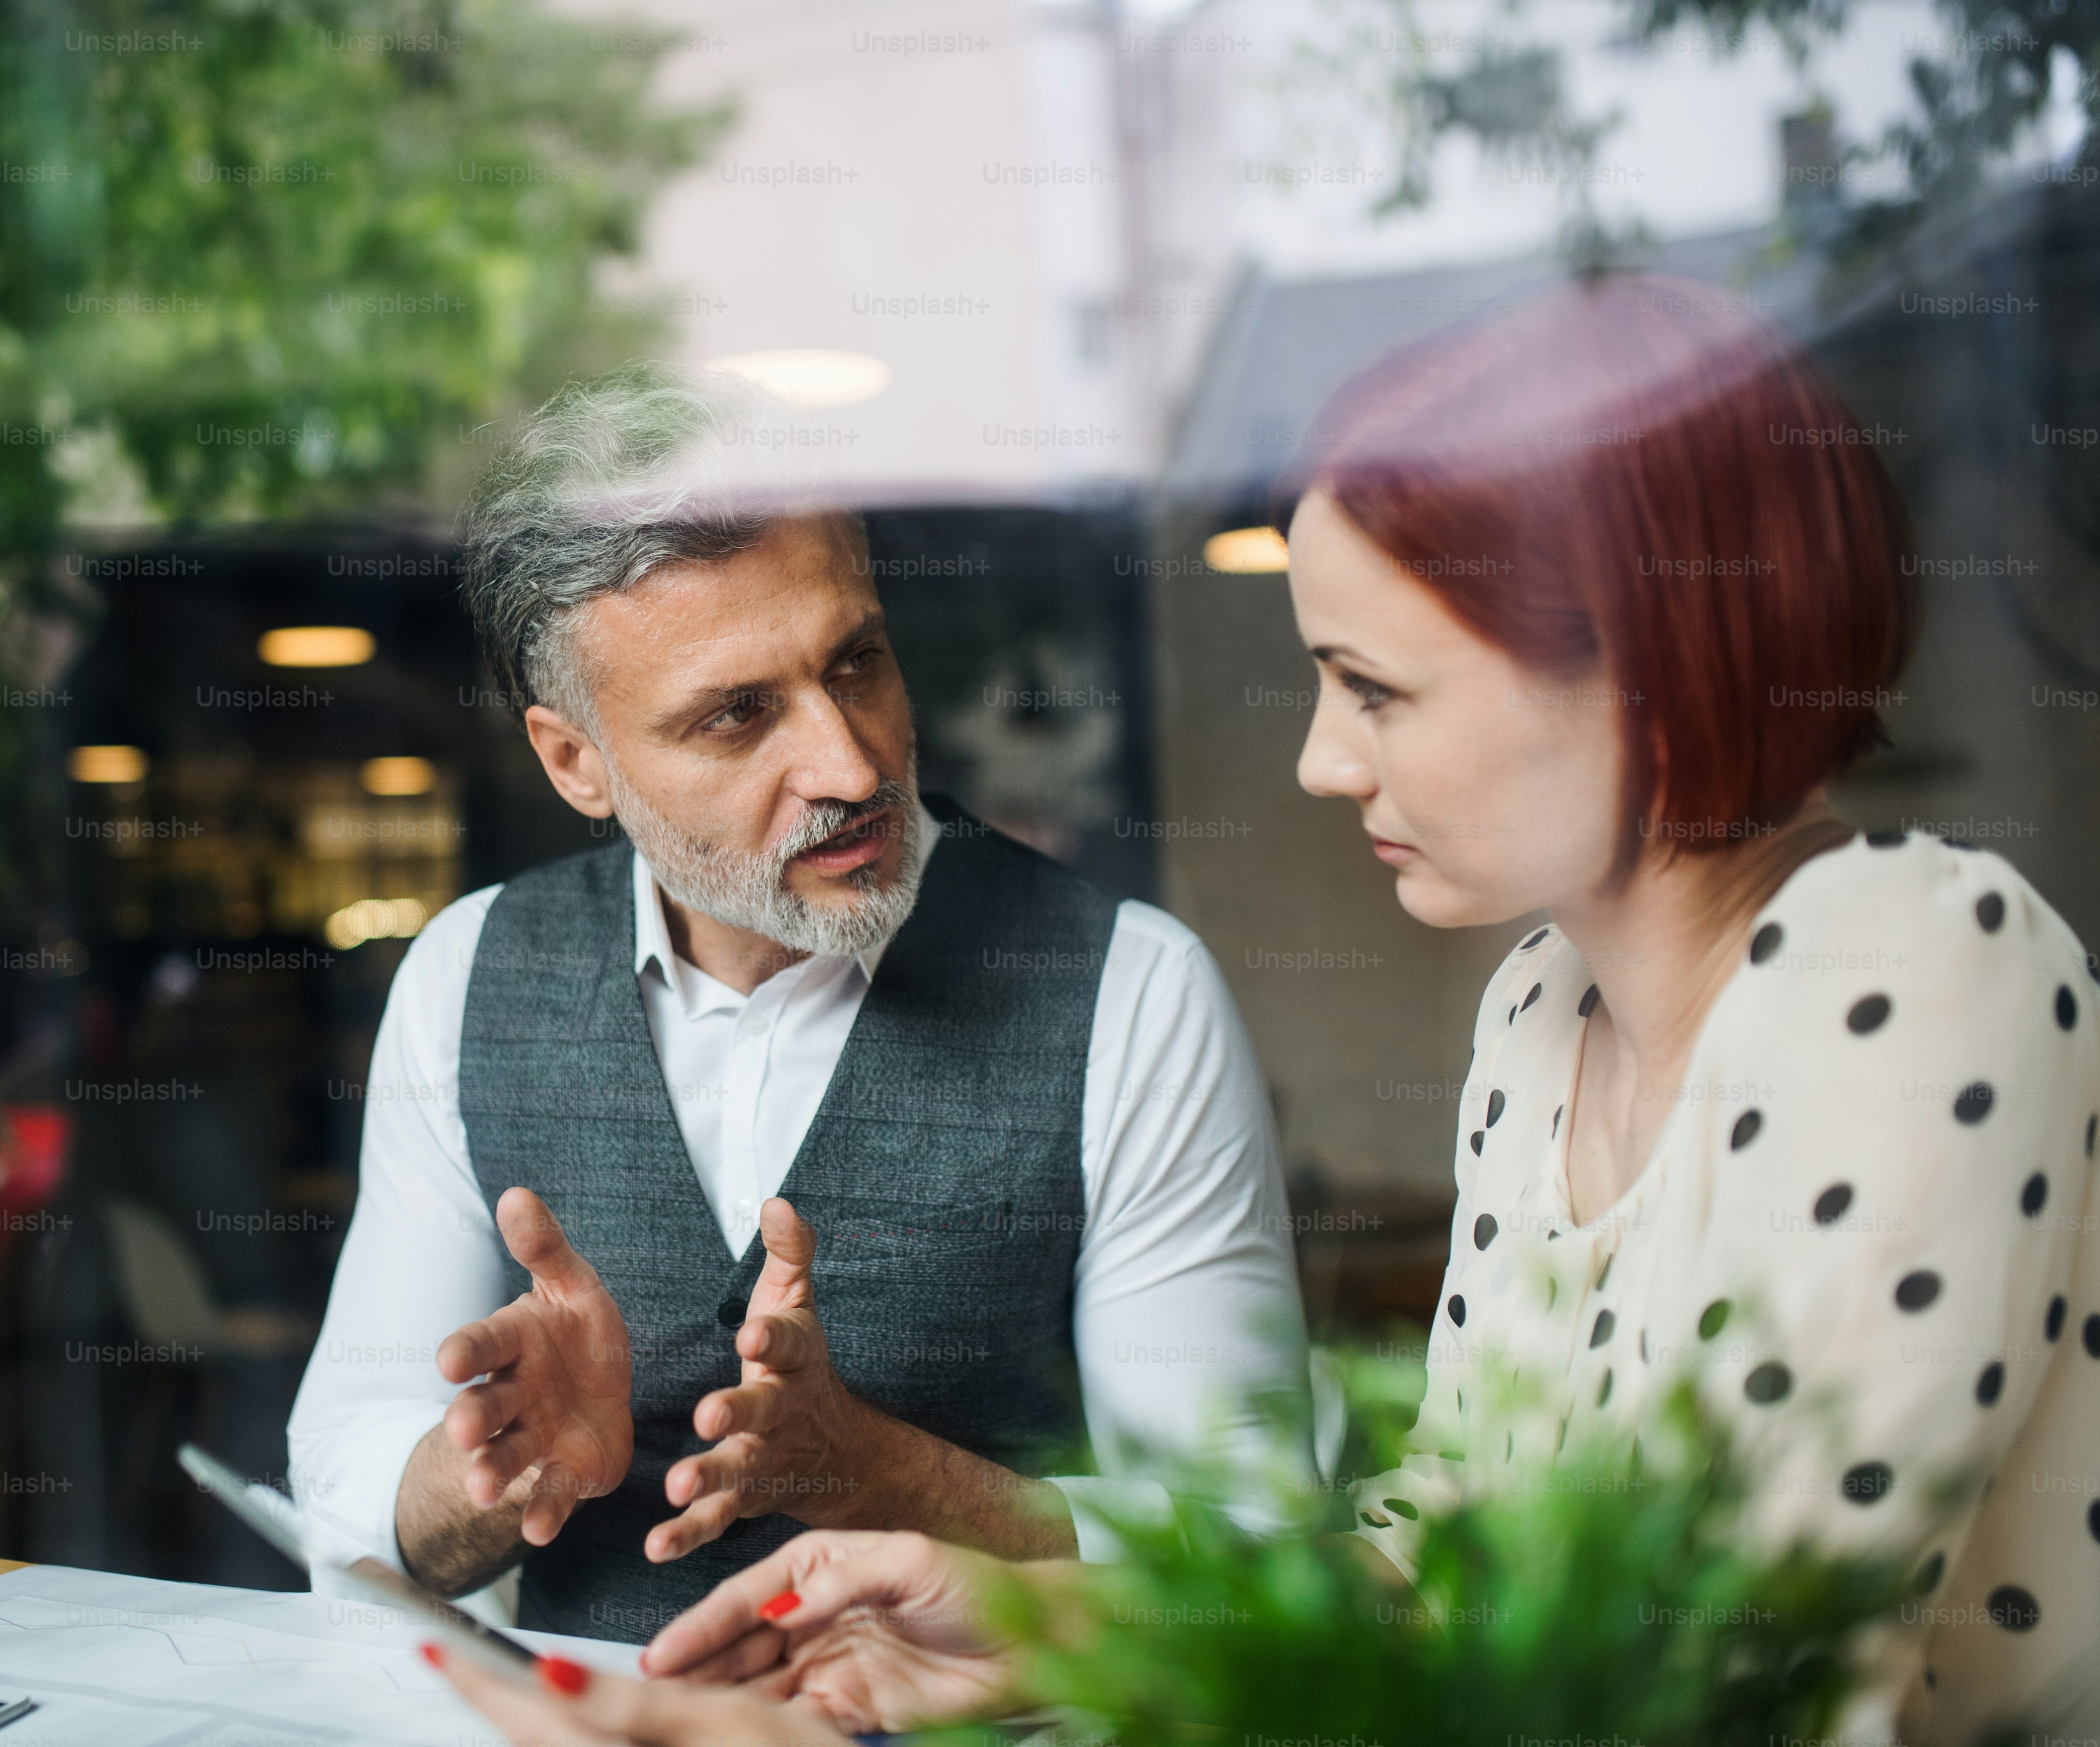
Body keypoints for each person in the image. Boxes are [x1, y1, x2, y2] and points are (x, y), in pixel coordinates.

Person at [427, 276, 2100, 1744]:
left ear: (1646, 669)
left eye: (1375, 687)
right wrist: (1028, 1627)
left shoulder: (1914, 957)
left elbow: (1734, 1692)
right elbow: (1432, 1579)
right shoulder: (1543, 1014)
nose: (1320, 759)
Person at [287, 363, 1313, 1644]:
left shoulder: (1131, 994)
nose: (851, 762)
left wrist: (891, 1477)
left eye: (857, 662)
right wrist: (490, 1474)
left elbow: (1255, 1557)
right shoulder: (468, 977)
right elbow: (343, 1484)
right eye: (736, 717)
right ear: (574, 762)